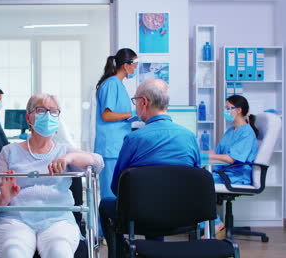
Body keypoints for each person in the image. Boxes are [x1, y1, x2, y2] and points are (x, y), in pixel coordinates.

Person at [0, 93, 104, 258]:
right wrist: (4, 198)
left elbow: (97, 163)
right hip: (15, 220)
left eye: (53, 111)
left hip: (58, 220)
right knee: (13, 252)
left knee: (59, 252)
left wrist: (68, 158)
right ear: (29, 118)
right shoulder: (9, 152)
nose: (48, 116)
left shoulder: (63, 151)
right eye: (41, 110)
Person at [99, 79, 200, 256]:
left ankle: (121, 252)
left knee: (106, 204)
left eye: (135, 100)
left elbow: (118, 188)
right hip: (183, 216)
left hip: (143, 216)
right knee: (159, 201)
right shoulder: (189, 137)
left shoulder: (134, 139)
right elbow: (196, 181)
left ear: (144, 102)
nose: (135, 105)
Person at [201, 95, 259, 237]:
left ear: (239, 110)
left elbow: (231, 159)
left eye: (228, 108)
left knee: (198, 184)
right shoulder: (230, 131)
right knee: (196, 179)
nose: (226, 111)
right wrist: (197, 152)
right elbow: (217, 152)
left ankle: (216, 224)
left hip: (236, 176)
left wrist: (207, 157)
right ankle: (206, 225)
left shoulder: (246, 132)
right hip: (225, 173)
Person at [94, 48, 138, 202]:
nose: (136, 68)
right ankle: (105, 227)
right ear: (126, 65)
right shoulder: (111, 84)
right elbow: (106, 115)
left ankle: (116, 227)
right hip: (109, 148)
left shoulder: (118, 85)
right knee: (109, 196)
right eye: (135, 64)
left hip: (117, 146)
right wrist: (131, 114)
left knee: (118, 195)